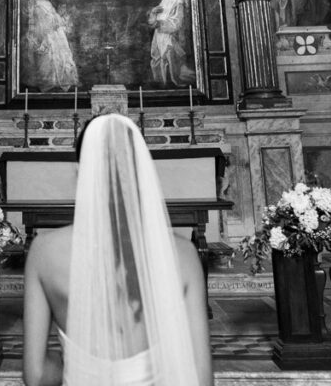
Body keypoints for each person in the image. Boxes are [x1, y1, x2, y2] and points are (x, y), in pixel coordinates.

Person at [23, 113, 212, 386]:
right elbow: (201, 379)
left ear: (80, 172)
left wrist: (73, 365)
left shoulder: (45, 252)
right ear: (140, 171)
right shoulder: (183, 255)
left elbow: (36, 376)